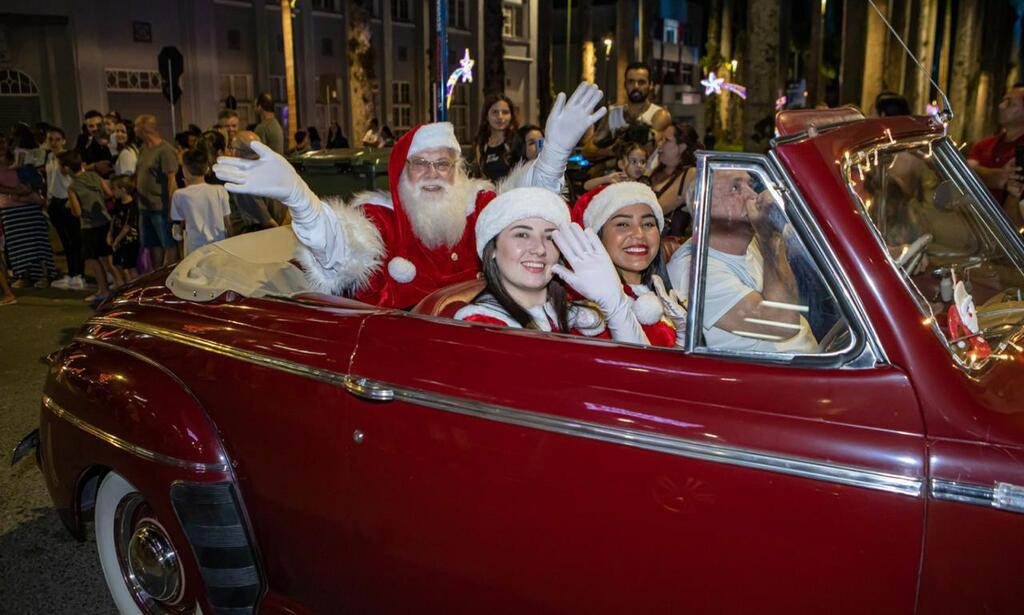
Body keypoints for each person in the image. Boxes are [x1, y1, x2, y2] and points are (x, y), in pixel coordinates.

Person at [214, 81, 608, 309]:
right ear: (401, 173)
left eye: (444, 164)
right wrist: (298, 196)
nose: (433, 174)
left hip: (487, 339)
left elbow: (527, 211)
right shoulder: (379, 219)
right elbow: (335, 247)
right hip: (402, 362)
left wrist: (553, 153)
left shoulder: (478, 206)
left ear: (459, 170)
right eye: (421, 164)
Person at [455, 186, 650, 345]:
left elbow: (645, 382)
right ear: (493, 248)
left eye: (550, 237)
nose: (539, 249)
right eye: (522, 235)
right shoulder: (481, 327)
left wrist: (615, 305)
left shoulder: (580, 318)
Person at [667, 169, 816, 353]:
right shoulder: (693, 268)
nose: (753, 196)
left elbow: (813, 247)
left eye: (751, 185)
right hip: (775, 375)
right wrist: (769, 236)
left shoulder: (749, 240)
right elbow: (782, 323)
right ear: (704, 209)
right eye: (736, 188)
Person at [572, 182, 685, 347]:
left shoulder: (669, 298)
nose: (639, 234)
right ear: (597, 237)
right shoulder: (590, 317)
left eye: (648, 224)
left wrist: (684, 339)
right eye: (623, 225)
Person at [583, 62, 671, 164]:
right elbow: (587, 151)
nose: (636, 87)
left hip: (646, 177)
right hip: (618, 177)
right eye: (631, 82)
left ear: (650, 85)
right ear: (625, 84)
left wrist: (611, 151)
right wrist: (610, 151)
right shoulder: (613, 115)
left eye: (641, 82)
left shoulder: (660, 115)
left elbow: (645, 150)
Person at [61, 150, 115, 304]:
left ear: (67, 168)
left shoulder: (73, 187)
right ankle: (120, 286)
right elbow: (109, 193)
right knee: (109, 258)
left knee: (93, 259)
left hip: (89, 226)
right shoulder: (95, 176)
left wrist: (71, 207)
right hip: (105, 221)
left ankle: (103, 290)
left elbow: (77, 212)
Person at [1, 145, 56, 288]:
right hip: (9, 207)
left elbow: (35, 178)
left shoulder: (21, 157)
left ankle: (46, 274)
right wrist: (14, 191)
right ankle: (25, 275)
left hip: (29, 204)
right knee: (18, 244)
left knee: (36, 240)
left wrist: (27, 190)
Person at [969, 84, 1024, 226]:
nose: (1001, 106)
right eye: (1003, 101)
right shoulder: (984, 145)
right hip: (978, 226)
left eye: (1010, 103)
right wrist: (1000, 177)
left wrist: (982, 173)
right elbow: (966, 173)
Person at [134, 114, 180, 267]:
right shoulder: (144, 149)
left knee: (168, 242)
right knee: (152, 243)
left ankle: (168, 274)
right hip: (145, 207)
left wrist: (171, 209)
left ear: (145, 130)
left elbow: (171, 180)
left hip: (160, 207)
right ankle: (155, 274)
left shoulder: (165, 151)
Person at [44, 127, 85, 290]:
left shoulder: (68, 157)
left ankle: (79, 275)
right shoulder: (49, 158)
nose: (54, 142)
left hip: (68, 201)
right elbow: (49, 180)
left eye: (57, 139)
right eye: (50, 139)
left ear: (63, 140)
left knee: (75, 240)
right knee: (65, 241)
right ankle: (72, 273)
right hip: (55, 202)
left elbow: (76, 177)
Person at [171, 149, 232, 256]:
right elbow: (227, 221)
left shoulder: (179, 194)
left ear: (185, 170)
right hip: (219, 244)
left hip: (195, 247)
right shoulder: (220, 190)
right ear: (206, 169)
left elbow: (179, 226)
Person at [650, 122, 702, 236]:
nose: (660, 144)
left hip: (670, 248)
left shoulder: (690, 175)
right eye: (661, 139)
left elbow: (657, 209)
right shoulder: (656, 173)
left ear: (681, 147)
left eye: (666, 140)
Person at [226, 132, 278, 234]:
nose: (228, 151)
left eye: (230, 148)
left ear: (236, 152)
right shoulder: (270, 170)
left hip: (254, 238)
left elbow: (267, 221)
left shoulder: (242, 179)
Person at [475, 94, 521, 182]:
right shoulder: (480, 145)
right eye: (495, 112)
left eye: (505, 112)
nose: (500, 117)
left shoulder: (518, 140)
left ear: (511, 116)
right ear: (486, 116)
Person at [108, 174, 140, 283]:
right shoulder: (118, 202)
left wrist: (116, 241)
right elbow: (114, 217)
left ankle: (134, 289)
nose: (112, 191)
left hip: (129, 241)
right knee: (118, 265)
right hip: (118, 239)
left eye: (114, 189)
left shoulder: (132, 206)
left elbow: (127, 227)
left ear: (123, 189)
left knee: (129, 267)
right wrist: (110, 233)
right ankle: (124, 287)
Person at [583, 140, 649, 191]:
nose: (639, 166)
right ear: (621, 164)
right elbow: (586, 186)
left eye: (643, 162)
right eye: (634, 161)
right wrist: (605, 179)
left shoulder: (645, 183)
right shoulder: (615, 180)